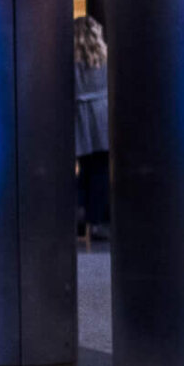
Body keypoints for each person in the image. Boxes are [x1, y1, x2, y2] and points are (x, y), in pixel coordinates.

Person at [76, 14, 110, 242]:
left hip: (79, 116)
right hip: (101, 117)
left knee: (84, 168)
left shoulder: (71, 59)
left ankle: (78, 213)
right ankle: (96, 222)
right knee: (100, 170)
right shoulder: (103, 56)